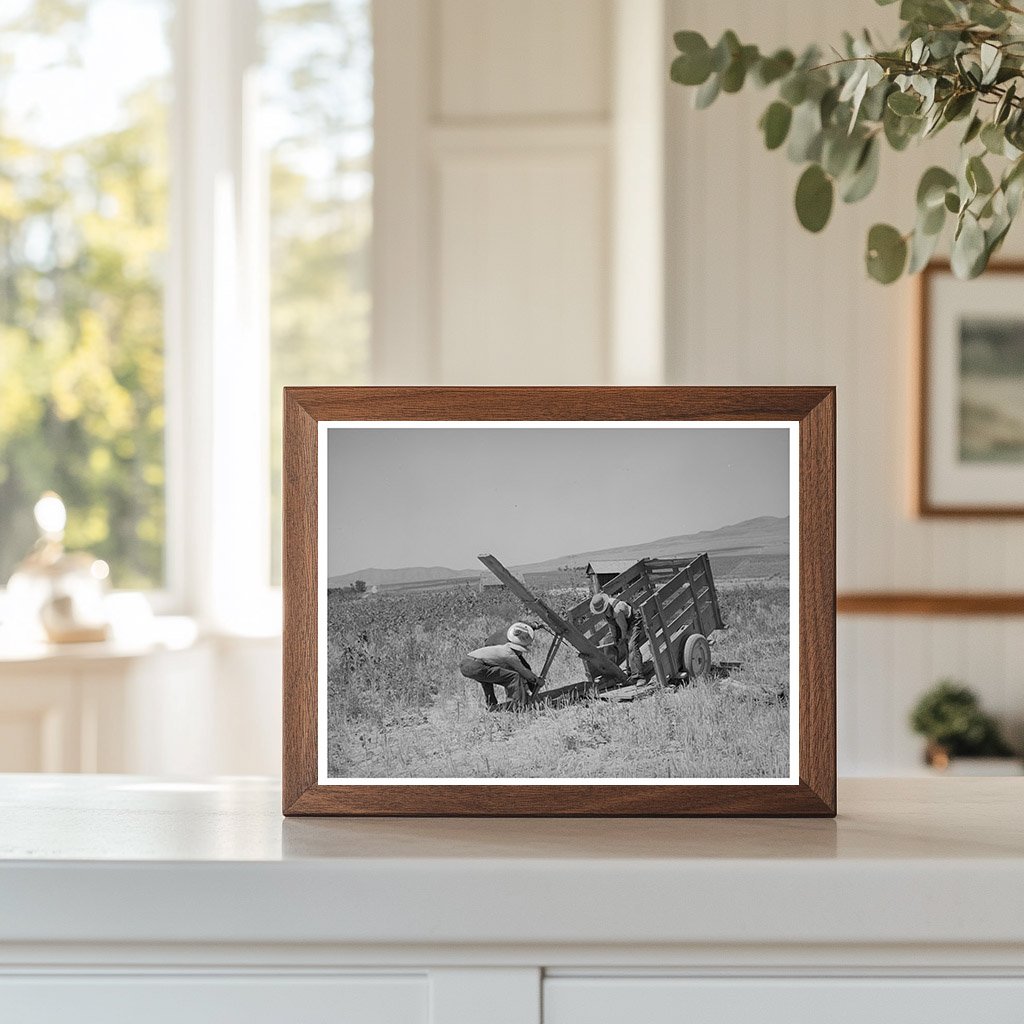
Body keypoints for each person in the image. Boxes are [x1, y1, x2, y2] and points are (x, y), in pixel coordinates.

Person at [460, 622, 539, 710]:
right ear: (517, 649)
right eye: (520, 651)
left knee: (486, 680)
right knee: (513, 677)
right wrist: (536, 680)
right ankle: (514, 707)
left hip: (466, 664)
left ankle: (492, 705)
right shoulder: (509, 654)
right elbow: (522, 671)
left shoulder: (503, 648)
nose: (520, 653)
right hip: (476, 666)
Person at [590, 591, 645, 683]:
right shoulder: (606, 611)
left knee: (631, 645)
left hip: (633, 621)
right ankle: (612, 673)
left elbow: (624, 628)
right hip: (621, 622)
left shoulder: (617, 610)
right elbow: (612, 626)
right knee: (607, 641)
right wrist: (615, 638)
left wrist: (623, 638)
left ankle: (639, 676)